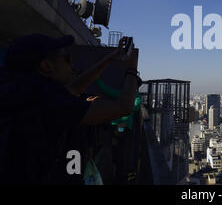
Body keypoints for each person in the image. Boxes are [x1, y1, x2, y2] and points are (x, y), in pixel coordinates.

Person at [0, 34, 140, 184]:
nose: (71, 62)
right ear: (46, 66)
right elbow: (123, 107)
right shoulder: (51, 102)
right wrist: (132, 69)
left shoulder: (25, 90)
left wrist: (109, 59)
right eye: (66, 58)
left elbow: (74, 87)